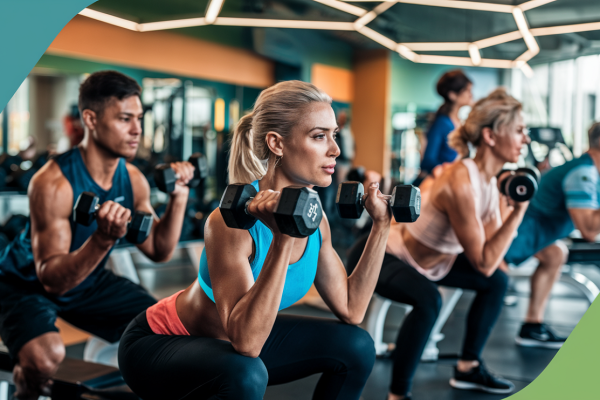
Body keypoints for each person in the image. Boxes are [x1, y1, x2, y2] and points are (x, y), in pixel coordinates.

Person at [118, 80, 394, 400]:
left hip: (234, 348)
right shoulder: (231, 222)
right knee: (246, 372)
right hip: (159, 345)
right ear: (277, 143)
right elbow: (246, 343)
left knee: (356, 346)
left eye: (333, 135)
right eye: (319, 136)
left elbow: (351, 309)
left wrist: (381, 225)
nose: (335, 149)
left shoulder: (315, 221)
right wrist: (281, 239)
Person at [0, 70, 194, 400]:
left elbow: (159, 250)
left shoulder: (132, 179)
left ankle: (102, 350)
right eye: (124, 119)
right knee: (45, 358)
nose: (137, 130)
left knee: (162, 331)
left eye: (139, 119)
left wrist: (179, 197)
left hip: (87, 278)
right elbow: (53, 281)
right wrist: (103, 239)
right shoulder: (52, 183)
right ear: (90, 119)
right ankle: (26, 388)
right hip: (24, 282)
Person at [348, 88, 530, 399]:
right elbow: (484, 260)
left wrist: (507, 209)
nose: (525, 139)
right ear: (490, 136)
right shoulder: (460, 182)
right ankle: (398, 394)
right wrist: (518, 213)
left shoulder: (487, 181)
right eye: (518, 130)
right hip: (382, 256)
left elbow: (492, 259)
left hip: (433, 261)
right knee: (429, 300)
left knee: (497, 282)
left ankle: (468, 367)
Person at [504, 122, 600, 348]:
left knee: (555, 254)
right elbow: (588, 230)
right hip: (518, 234)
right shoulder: (583, 173)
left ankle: (532, 326)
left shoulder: (589, 169)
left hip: (537, 234)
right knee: (489, 278)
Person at [419, 69, 473, 180]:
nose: (471, 95)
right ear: (452, 95)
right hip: (440, 185)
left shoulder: (459, 122)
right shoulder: (442, 123)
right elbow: (428, 161)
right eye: (467, 90)